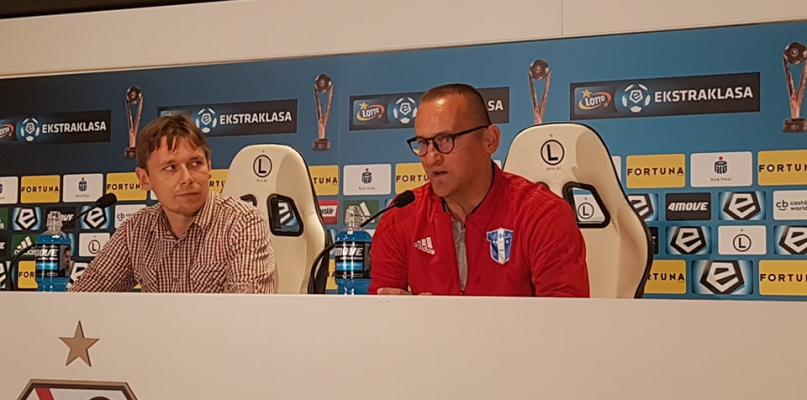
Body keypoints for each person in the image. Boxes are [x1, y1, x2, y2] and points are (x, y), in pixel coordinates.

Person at [369, 83, 589, 297]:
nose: (431, 157)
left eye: (445, 140)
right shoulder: (401, 215)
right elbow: (379, 309)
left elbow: (564, 317)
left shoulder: (542, 215)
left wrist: (439, 316)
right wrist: (404, 314)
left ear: (489, 140)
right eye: (423, 143)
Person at [69, 115, 276, 293]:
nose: (187, 178)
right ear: (144, 179)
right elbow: (83, 299)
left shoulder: (241, 222)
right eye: (171, 168)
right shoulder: (136, 230)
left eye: (195, 164)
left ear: (209, 166)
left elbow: (247, 313)